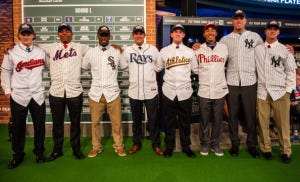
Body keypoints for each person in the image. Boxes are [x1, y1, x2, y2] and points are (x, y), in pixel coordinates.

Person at [39, 23, 89, 160]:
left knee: (75, 123)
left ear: (72, 33)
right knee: (57, 123)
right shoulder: (51, 47)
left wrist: (115, 47)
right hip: (56, 91)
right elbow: (32, 45)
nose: (64, 33)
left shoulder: (80, 47)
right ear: (58, 34)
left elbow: (98, 50)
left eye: (67, 31)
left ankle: (76, 149)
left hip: (74, 91)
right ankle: (57, 150)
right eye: (61, 31)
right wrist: (13, 45)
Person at [1, 23, 48, 169]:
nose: (26, 36)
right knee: (18, 128)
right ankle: (18, 155)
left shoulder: (41, 51)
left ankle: (39, 153)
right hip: (19, 95)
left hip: (37, 95)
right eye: (23, 33)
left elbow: (53, 66)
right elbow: (5, 72)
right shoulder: (11, 51)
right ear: (19, 36)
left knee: (40, 127)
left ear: (33, 35)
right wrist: (7, 91)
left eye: (28, 33)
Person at [218, 10, 263, 158]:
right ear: (232, 21)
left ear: (245, 20)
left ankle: (252, 145)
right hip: (232, 82)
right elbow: (215, 55)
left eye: (241, 18)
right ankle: (235, 145)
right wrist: (197, 47)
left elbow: (265, 55)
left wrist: (287, 49)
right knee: (232, 116)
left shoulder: (255, 37)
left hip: (249, 81)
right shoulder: (225, 40)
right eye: (236, 18)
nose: (239, 20)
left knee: (250, 116)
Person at [255, 20, 296, 163]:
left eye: (275, 29)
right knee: (262, 123)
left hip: (280, 91)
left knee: (283, 124)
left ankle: (286, 151)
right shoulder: (257, 49)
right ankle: (266, 149)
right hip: (262, 91)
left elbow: (291, 70)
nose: (272, 31)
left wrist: (288, 90)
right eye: (269, 29)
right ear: (265, 31)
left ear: (278, 32)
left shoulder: (285, 50)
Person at [82, 26, 126, 157]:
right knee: (95, 123)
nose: (104, 37)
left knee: (116, 122)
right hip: (95, 93)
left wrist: (122, 50)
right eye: (101, 35)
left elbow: (124, 66)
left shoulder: (116, 51)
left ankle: (118, 146)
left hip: (112, 92)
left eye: (106, 35)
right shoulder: (90, 52)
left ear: (109, 36)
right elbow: (84, 66)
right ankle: (96, 147)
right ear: (98, 36)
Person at [156, 24, 198, 158]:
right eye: (175, 32)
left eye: (180, 32)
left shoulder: (190, 52)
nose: (178, 34)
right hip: (169, 91)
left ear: (184, 35)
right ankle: (169, 147)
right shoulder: (164, 51)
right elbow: (157, 68)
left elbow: (196, 70)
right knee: (169, 121)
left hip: (185, 91)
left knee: (185, 122)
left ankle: (186, 147)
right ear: (171, 34)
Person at [120, 25, 163, 155]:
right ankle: (136, 143)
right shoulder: (127, 50)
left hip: (150, 91)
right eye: (136, 33)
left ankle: (156, 144)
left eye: (141, 33)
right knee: (136, 120)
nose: (139, 35)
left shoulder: (153, 49)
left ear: (144, 35)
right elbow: (124, 66)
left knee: (153, 119)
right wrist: (134, 74)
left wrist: (149, 73)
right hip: (134, 91)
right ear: (133, 35)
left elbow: (159, 66)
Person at [194, 23, 228, 156]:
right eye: (207, 31)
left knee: (218, 120)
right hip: (204, 90)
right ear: (204, 34)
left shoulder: (224, 48)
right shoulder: (198, 49)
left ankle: (215, 144)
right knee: (204, 119)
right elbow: (194, 68)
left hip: (220, 89)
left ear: (216, 34)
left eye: (213, 31)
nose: (210, 33)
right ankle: (204, 144)